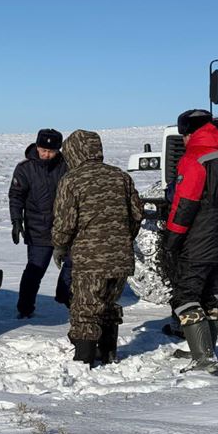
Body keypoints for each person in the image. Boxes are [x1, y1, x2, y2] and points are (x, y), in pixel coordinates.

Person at [162, 110, 218, 375]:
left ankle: (204, 357)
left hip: (200, 238)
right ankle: (204, 347)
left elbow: (185, 203)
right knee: (208, 294)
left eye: (184, 135)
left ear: (190, 133)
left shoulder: (195, 158)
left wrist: (172, 236)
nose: (184, 140)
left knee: (185, 294)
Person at [52, 129, 143, 366]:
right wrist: (123, 239)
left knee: (86, 308)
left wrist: (60, 246)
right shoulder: (121, 177)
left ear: (72, 152)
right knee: (109, 305)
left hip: (89, 259)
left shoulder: (72, 180)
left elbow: (65, 221)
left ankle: (84, 359)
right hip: (121, 258)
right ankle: (109, 352)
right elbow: (137, 215)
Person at [9, 128, 72, 318]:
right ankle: (25, 308)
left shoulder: (66, 167)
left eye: (51, 151)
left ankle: (64, 295)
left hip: (65, 226)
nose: (46, 154)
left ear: (58, 150)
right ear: (37, 147)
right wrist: (16, 220)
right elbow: (16, 196)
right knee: (35, 270)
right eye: (43, 150)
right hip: (38, 228)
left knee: (72, 263)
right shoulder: (25, 168)